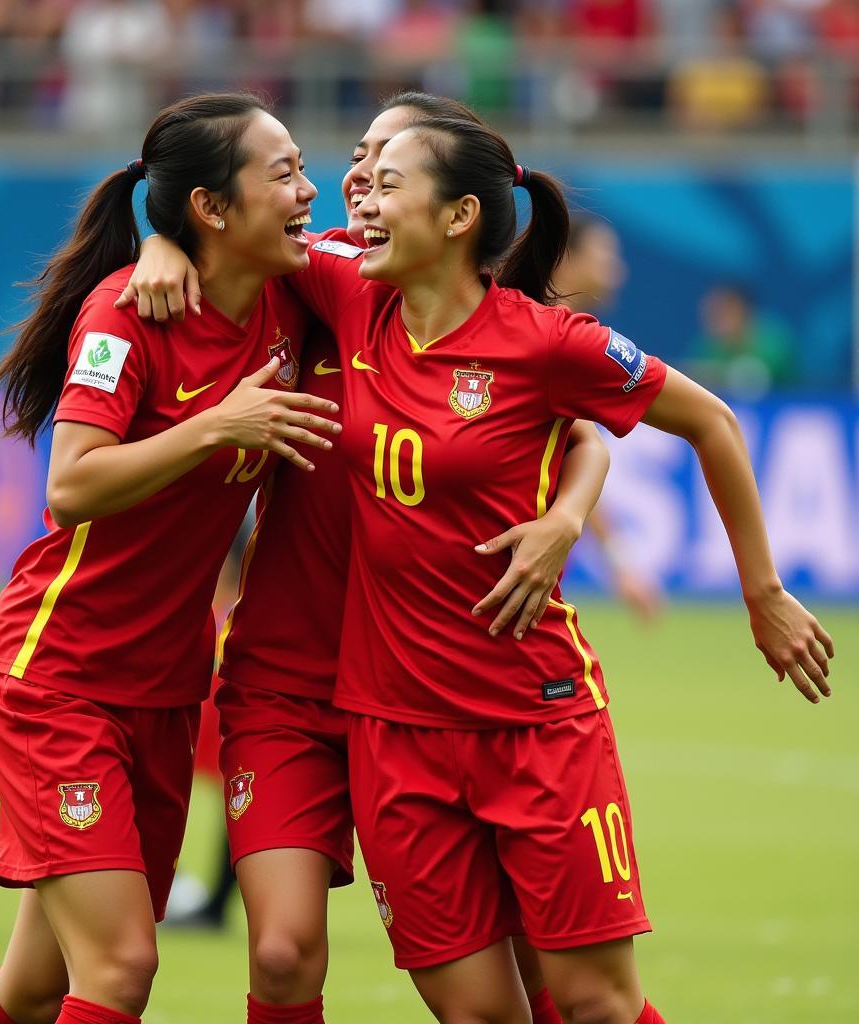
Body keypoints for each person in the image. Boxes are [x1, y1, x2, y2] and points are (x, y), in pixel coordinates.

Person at [282, 114, 833, 1024]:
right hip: (394, 732)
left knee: (594, 1006)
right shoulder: (350, 293)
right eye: (364, 183)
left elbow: (714, 425)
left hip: (535, 723)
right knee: (476, 1013)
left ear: (460, 216)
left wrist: (762, 592)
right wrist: (163, 254)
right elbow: (236, 230)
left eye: (387, 185)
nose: (363, 201)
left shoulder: (546, 342)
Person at [121, 92, 613, 1024]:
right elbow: (199, 218)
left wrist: (570, 517)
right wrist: (158, 242)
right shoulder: (302, 283)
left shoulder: (469, 316)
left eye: (387, 157)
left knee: (549, 985)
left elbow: (584, 428)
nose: (356, 171)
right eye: (356, 152)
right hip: (296, 681)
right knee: (279, 951)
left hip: (434, 692)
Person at [0, 93, 342, 1024]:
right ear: (212, 208)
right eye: (284, 174)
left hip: (164, 688)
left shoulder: (293, 293)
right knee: (119, 971)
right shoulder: (125, 313)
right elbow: (71, 485)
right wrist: (214, 425)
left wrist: (162, 234)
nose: (312, 191)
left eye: (305, 168)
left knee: (33, 991)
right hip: (57, 674)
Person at [552, 214, 663, 621]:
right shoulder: (550, 339)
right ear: (566, 258)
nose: (617, 272)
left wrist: (621, 565)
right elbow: (713, 422)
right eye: (605, 256)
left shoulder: (570, 338)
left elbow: (578, 452)